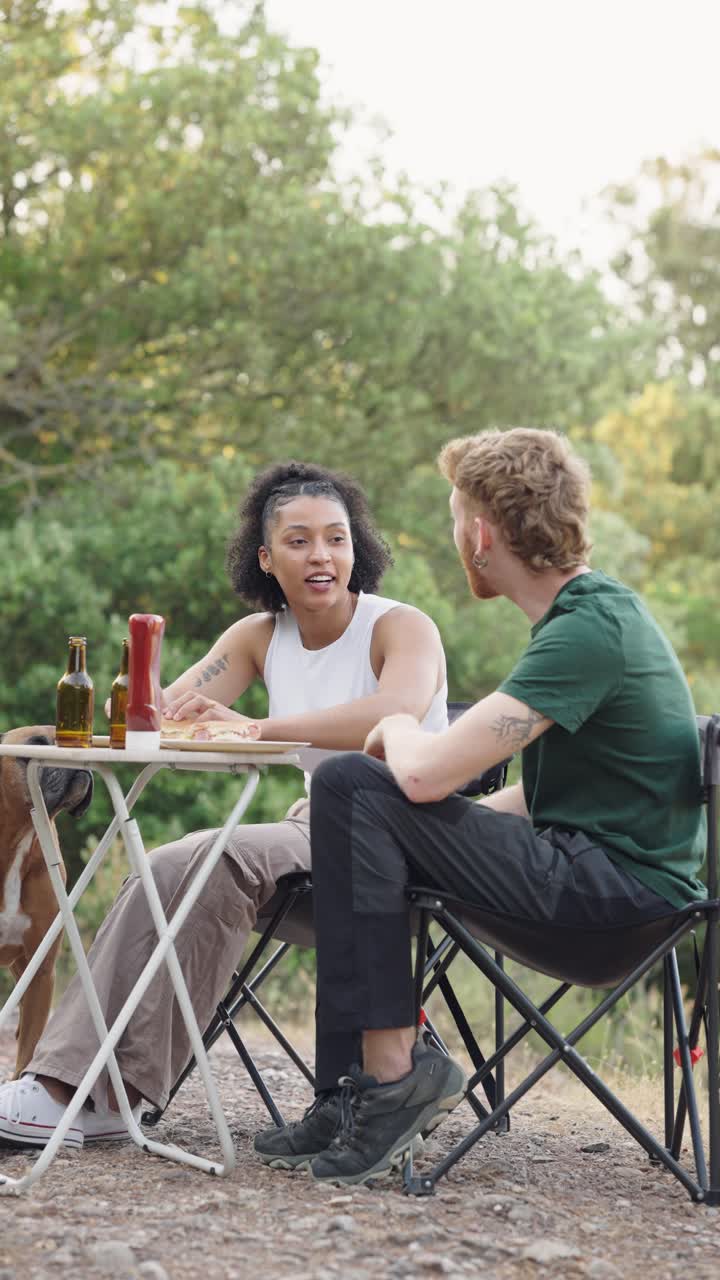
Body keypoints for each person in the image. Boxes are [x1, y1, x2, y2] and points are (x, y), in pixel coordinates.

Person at [257, 427, 706, 1187]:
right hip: (604, 883)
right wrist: (420, 832)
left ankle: (394, 1078)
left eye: (453, 516)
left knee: (347, 786)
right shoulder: (585, 622)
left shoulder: (588, 629)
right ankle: (348, 1092)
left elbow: (427, 777)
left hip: (613, 902)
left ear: (480, 532)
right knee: (359, 808)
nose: (455, 534)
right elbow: (541, 793)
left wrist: (395, 724)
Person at [0, 461, 448, 1149]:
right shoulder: (260, 637)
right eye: (298, 541)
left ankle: (90, 1091)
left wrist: (256, 729)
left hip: (404, 836)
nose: (321, 555)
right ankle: (81, 1086)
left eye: (336, 538)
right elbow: (164, 712)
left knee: (217, 855)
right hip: (314, 830)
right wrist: (158, 714)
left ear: (357, 548)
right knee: (166, 863)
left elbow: (397, 710)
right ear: (267, 558)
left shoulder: (400, 627)